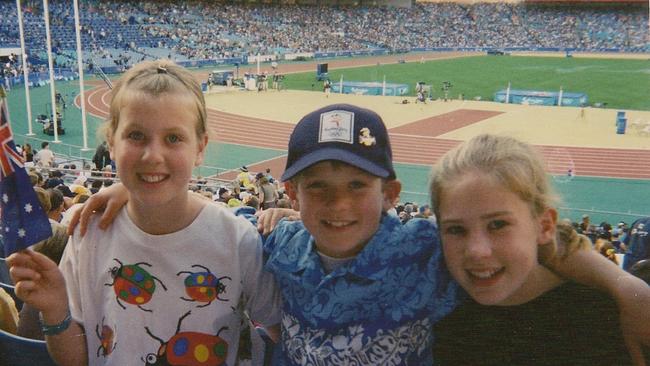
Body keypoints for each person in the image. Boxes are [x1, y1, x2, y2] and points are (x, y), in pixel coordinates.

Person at [70, 105, 650, 365]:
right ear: (291, 194)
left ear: (392, 195)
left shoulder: (429, 247)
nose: (339, 203)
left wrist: (625, 288)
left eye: (357, 185)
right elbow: (201, 224)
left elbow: (523, 237)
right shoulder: (275, 244)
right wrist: (136, 189)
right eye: (317, 187)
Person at [8, 60, 280, 366]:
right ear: (111, 143)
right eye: (136, 136)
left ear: (200, 147)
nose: (153, 155)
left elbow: (283, 333)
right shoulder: (88, 234)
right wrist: (56, 310)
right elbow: (79, 359)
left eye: (174, 138)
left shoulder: (238, 241)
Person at [430, 134, 635, 365]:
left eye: (498, 225)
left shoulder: (603, 323)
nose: (478, 251)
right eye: (456, 230)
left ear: (545, 226)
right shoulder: (436, 308)